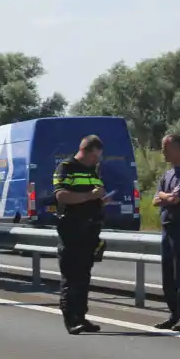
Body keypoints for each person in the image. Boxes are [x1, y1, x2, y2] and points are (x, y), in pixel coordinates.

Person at [53, 135, 110, 334]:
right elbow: (61, 196)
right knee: (71, 276)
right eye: (94, 157)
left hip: (90, 230)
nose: (97, 161)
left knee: (84, 276)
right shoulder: (66, 167)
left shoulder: (92, 170)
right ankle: (70, 319)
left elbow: (92, 196)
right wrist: (90, 196)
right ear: (84, 150)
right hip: (71, 229)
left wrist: (100, 201)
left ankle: (81, 316)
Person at [152, 133, 180, 332]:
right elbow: (156, 200)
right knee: (167, 276)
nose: (164, 152)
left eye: (167, 148)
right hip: (166, 228)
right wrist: (165, 196)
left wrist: (165, 197)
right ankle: (174, 314)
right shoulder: (167, 175)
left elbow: (175, 200)